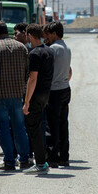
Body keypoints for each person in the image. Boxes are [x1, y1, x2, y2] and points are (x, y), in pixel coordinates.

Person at [0, 21, 31, 171]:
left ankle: (9, 161)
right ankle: (24, 159)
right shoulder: (22, 48)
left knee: (3, 129)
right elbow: (27, 73)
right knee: (20, 128)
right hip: (17, 96)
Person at [22, 24, 54, 174]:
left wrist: (27, 101)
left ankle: (40, 163)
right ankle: (42, 160)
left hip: (36, 94)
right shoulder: (49, 51)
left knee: (33, 128)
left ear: (30, 36)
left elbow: (32, 78)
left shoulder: (34, 54)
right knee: (38, 127)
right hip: (46, 94)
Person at [44, 21, 73, 168]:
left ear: (54, 34)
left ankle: (53, 158)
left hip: (54, 91)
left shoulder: (52, 50)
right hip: (65, 88)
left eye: (48, 34)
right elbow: (69, 71)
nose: (46, 37)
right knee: (63, 124)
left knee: (51, 126)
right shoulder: (66, 48)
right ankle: (64, 157)